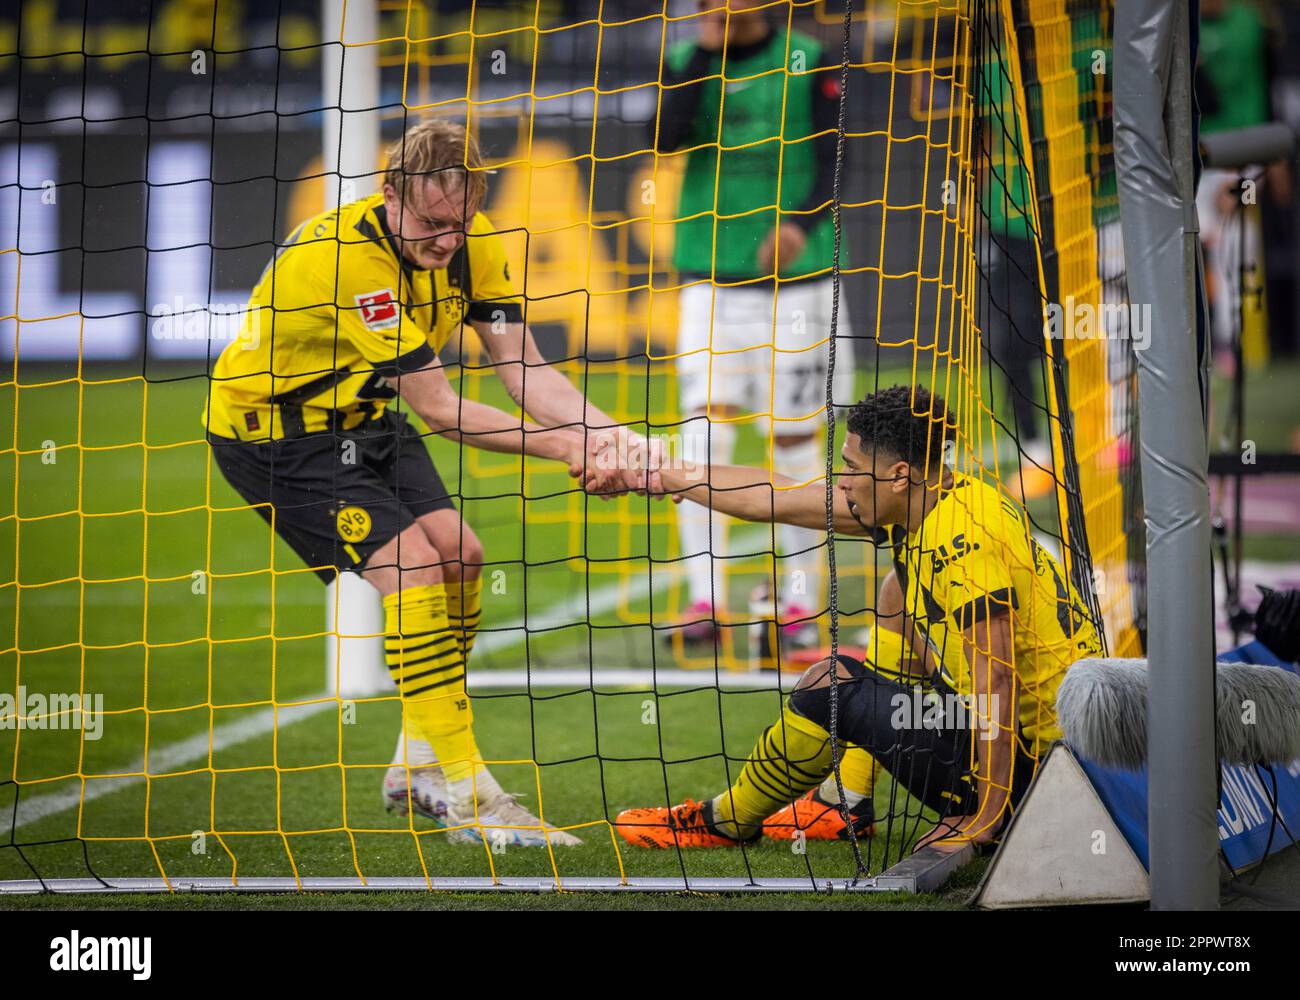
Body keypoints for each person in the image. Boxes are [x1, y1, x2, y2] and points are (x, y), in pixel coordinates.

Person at [203, 117, 638, 847]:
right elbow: (440, 410)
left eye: (461, 224)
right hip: (276, 436)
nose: (448, 242)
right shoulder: (346, 259)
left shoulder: (475, 240)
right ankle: (472, 793)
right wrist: (572, 448)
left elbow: (524, 370)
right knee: (412, 567)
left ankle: (417, 765)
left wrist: (611, 437)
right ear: (389, 194)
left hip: (363, 414)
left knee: (462, 556)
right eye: (432, 225)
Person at [603, 385, 1102, 851]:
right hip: (1043, 736)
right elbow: (773, 496)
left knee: (829, 685)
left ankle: (728, 821)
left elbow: (998, 678)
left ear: (899, 474)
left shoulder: (960, 548)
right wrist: (659, 474)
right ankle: (848, 801)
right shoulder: (942, 498)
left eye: (850, 466)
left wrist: (987, 819)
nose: (840, 481)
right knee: (896, 594)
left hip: (1044, 774)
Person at [653, 0, 853, 643]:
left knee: (795, 448)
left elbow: (837, 157)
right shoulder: (686, 61)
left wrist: (797, 224)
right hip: (712, 285)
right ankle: (703, 601)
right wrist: (708, 52)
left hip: (799, 288)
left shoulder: (809, 56)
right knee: (702, 441)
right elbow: (663, 138)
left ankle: (798, 604)